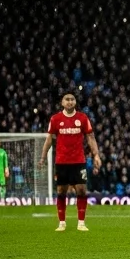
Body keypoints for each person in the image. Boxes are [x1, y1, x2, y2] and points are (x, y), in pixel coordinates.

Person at [39, 93, 102, 232]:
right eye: (67, 99)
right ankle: (62, 223)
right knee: (61, 191)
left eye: (72, 99)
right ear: (62, 102)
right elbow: (49, 139)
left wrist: (96, 155)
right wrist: (43, 157)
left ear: (75, 102)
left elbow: (90, 137)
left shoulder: (82, 118)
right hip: (62, 161)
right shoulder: (55, 119)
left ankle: (81, 222)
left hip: (78, 160)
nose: (69, 102)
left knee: (81, 190)